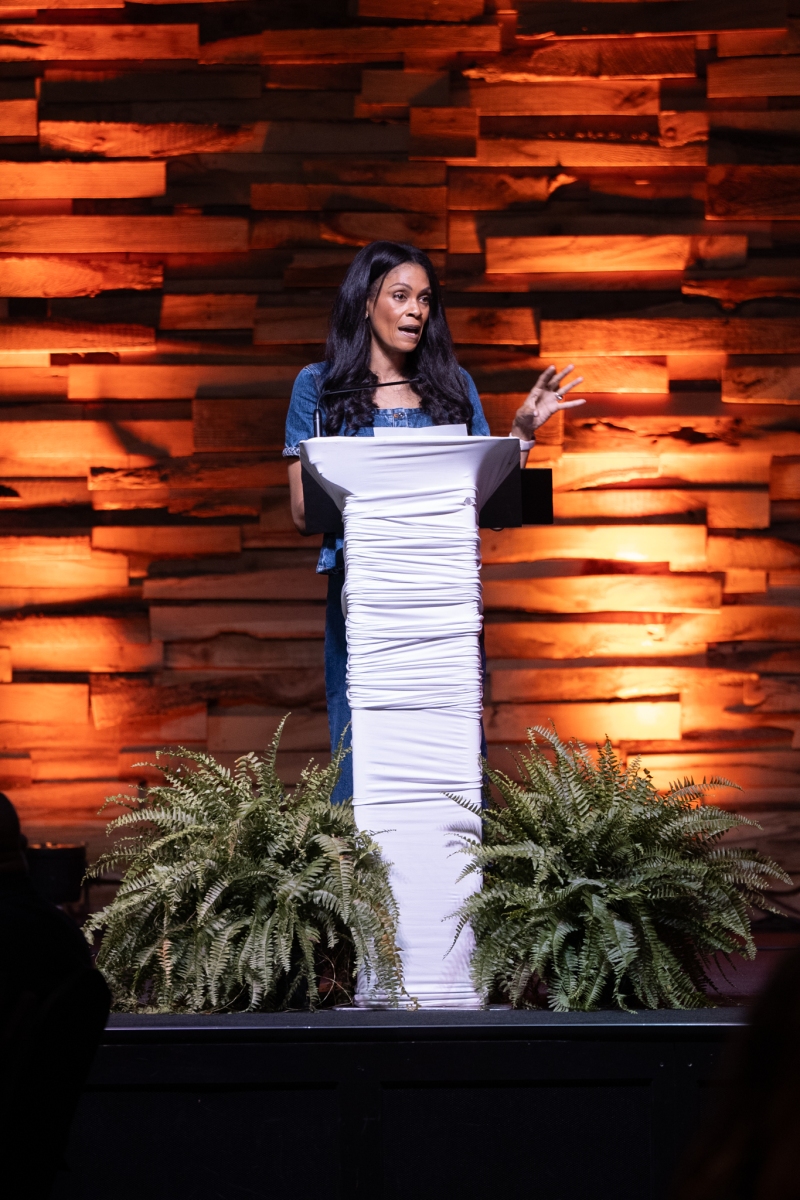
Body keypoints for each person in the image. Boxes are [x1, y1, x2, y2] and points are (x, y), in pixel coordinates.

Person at [283, 240, 584, 803]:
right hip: (365, 597)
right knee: (361, 748)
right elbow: (302, 513)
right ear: (366, 301)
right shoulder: (319, 387)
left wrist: (522, 433)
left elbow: (488, 499)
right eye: (400, 296)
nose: (416, 311)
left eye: (424, 299)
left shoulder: (453, 386)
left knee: (452, 756)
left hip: (442, 596)